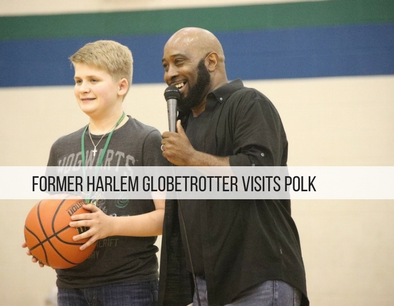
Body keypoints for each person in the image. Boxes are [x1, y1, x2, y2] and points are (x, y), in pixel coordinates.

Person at [158, 27, 309, 306]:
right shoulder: (185, 123)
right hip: (206, 286)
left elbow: (257, 174)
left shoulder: (249, 103)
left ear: (211, 61)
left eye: (179, 62)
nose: (170, 74)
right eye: (166, 66)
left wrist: (191, 158)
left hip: (257, 280)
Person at [23, 40, 167, 305]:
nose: (83, 89)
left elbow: (166, 218)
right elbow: (52, 214)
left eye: (93, 80)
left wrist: (111, 226)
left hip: (129, 284)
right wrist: (43, 240)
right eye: (78, 80)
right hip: (70, 285)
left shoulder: (146, 139)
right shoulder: (62, 147)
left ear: (121, 86)